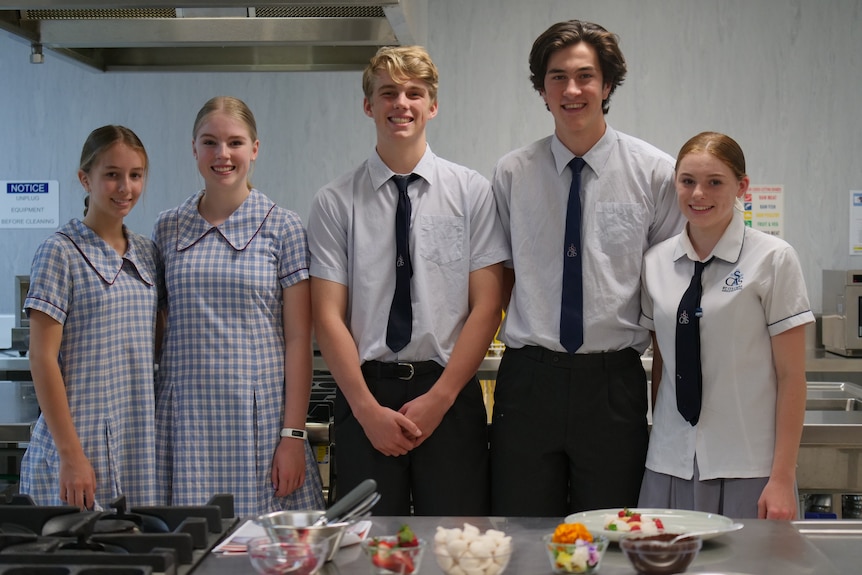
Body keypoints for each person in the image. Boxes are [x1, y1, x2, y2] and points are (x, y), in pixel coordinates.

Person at [490, 19, 686, 517]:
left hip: (613, 382)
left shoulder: (654, 173)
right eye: (557, 77)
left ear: (608, 84)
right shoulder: (513, 172)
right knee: (523, 533)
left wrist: (666, 403)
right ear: (541, 90)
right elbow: (500, 278)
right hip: (529, 380)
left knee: (614, 531)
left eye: (585, 76)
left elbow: (670, 298)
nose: (571, 89)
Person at [308, 45, 508, 516]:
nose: (402, 103)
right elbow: (326, 314)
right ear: (368, 105)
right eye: (388, 92)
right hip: (365, 396)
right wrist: (364, 409)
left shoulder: (471, 192)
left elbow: (487, 305)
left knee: (456, 544)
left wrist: (440, 398)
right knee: (367, 548)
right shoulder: (336, 201)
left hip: (448, 391)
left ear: (432, 105)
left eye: (414, 93)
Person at [152, 96, 324, 516]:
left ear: (255, 149)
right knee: (186, 546)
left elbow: (299, 339)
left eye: (235, 142)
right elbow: (156, 326)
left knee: (261, 552)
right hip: (183, 422)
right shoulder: (168, 227)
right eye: (210, 142)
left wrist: (293, 436)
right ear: (194, 148)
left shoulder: (282, 226)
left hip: (259, 424)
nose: (222, 155)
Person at [638, 132, 813, 519]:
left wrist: (782, 477)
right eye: (688, 181)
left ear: (742, 186)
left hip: (748, 467)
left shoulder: (773, 259)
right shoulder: (655, 263)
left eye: (714, 182)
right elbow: (665, 365)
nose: (699, 194)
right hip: (669, 463)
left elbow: (791, 377)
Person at [20, 125, 160, 509]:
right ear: (85, 178)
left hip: (136, 445)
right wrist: (71, 456)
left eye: (135, 175)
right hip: (78, 445)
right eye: (111, 174)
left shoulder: (147, 254)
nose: (124, 187)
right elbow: (42, 358)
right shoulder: (59, 253)